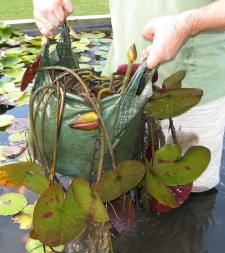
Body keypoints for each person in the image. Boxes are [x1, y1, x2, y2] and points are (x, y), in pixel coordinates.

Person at [32, 0, 225, 192]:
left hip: (189, 92)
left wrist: (186, 24)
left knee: (189, 195)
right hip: (119, 86)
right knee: (104, 181)